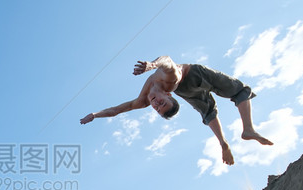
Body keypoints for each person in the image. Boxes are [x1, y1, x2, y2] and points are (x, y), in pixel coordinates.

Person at [80, 55, 273, 165]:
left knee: (239, 91)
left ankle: (248, 128)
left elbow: (168, 60)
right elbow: (119, 109)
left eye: (159, 105)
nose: (155, 104)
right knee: (208, 112)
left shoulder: (168, 79)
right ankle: (224, 143)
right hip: (185, 89)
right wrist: (96, 115)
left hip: (194, 74)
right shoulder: (146, 99)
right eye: (158, 107)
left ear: (168, 95)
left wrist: (152, 65)